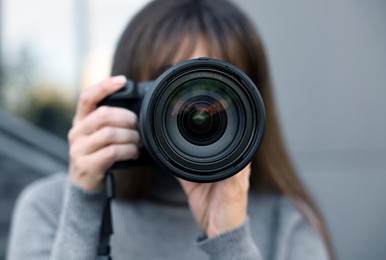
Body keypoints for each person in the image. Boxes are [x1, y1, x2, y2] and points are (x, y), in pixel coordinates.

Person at [7, 0, 334, 259]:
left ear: (252, 105)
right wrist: (83, 203)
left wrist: (231, 239)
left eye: (216, 88)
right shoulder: (50, 208)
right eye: (174, 85)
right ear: (131, 97)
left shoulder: (287, 223)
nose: (195, 112)